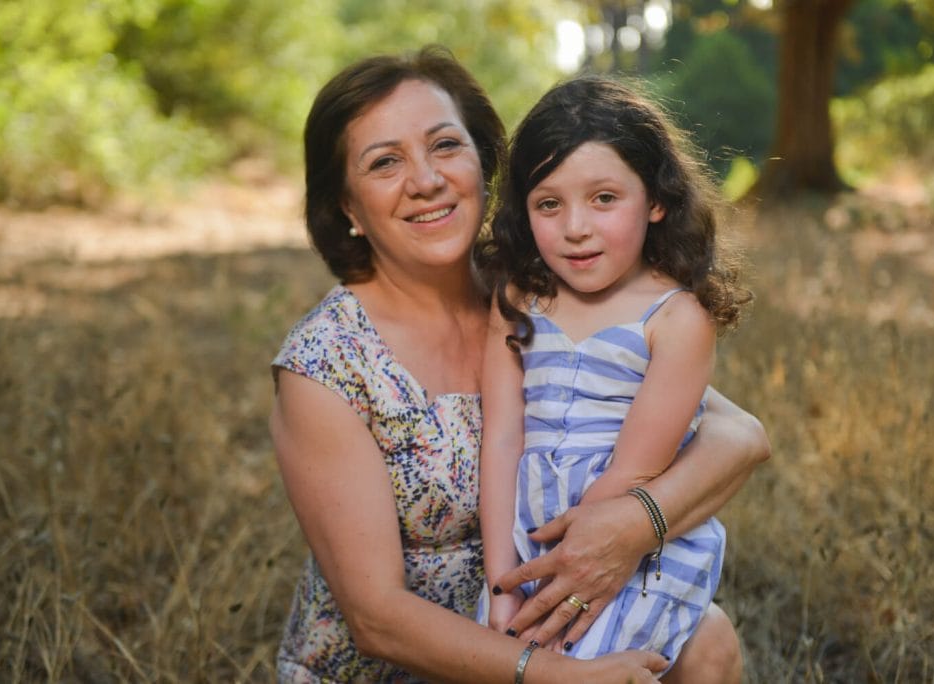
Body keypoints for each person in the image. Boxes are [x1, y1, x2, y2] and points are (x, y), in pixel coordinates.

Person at [269, 46, 769, 683]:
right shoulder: (327, 364)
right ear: (347, 207)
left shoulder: (541, 289)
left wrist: (632, 524)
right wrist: (557, 672)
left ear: (486, 164)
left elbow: (736, 433)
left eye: (445, 146)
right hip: (413, 664)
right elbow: (377, 620)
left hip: (566, 606)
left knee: (708, 640)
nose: (426, 180)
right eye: (385, 162)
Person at [475, 75, 751, 679]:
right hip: (527, 553)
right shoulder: (518, 301)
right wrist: (501, 582)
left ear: (656, 200)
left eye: (604, 198)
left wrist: (570, 573)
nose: (576, 227)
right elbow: (502, 438)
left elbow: (633, 472)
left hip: (621, 554)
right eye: (549, 204)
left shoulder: (676, 318)